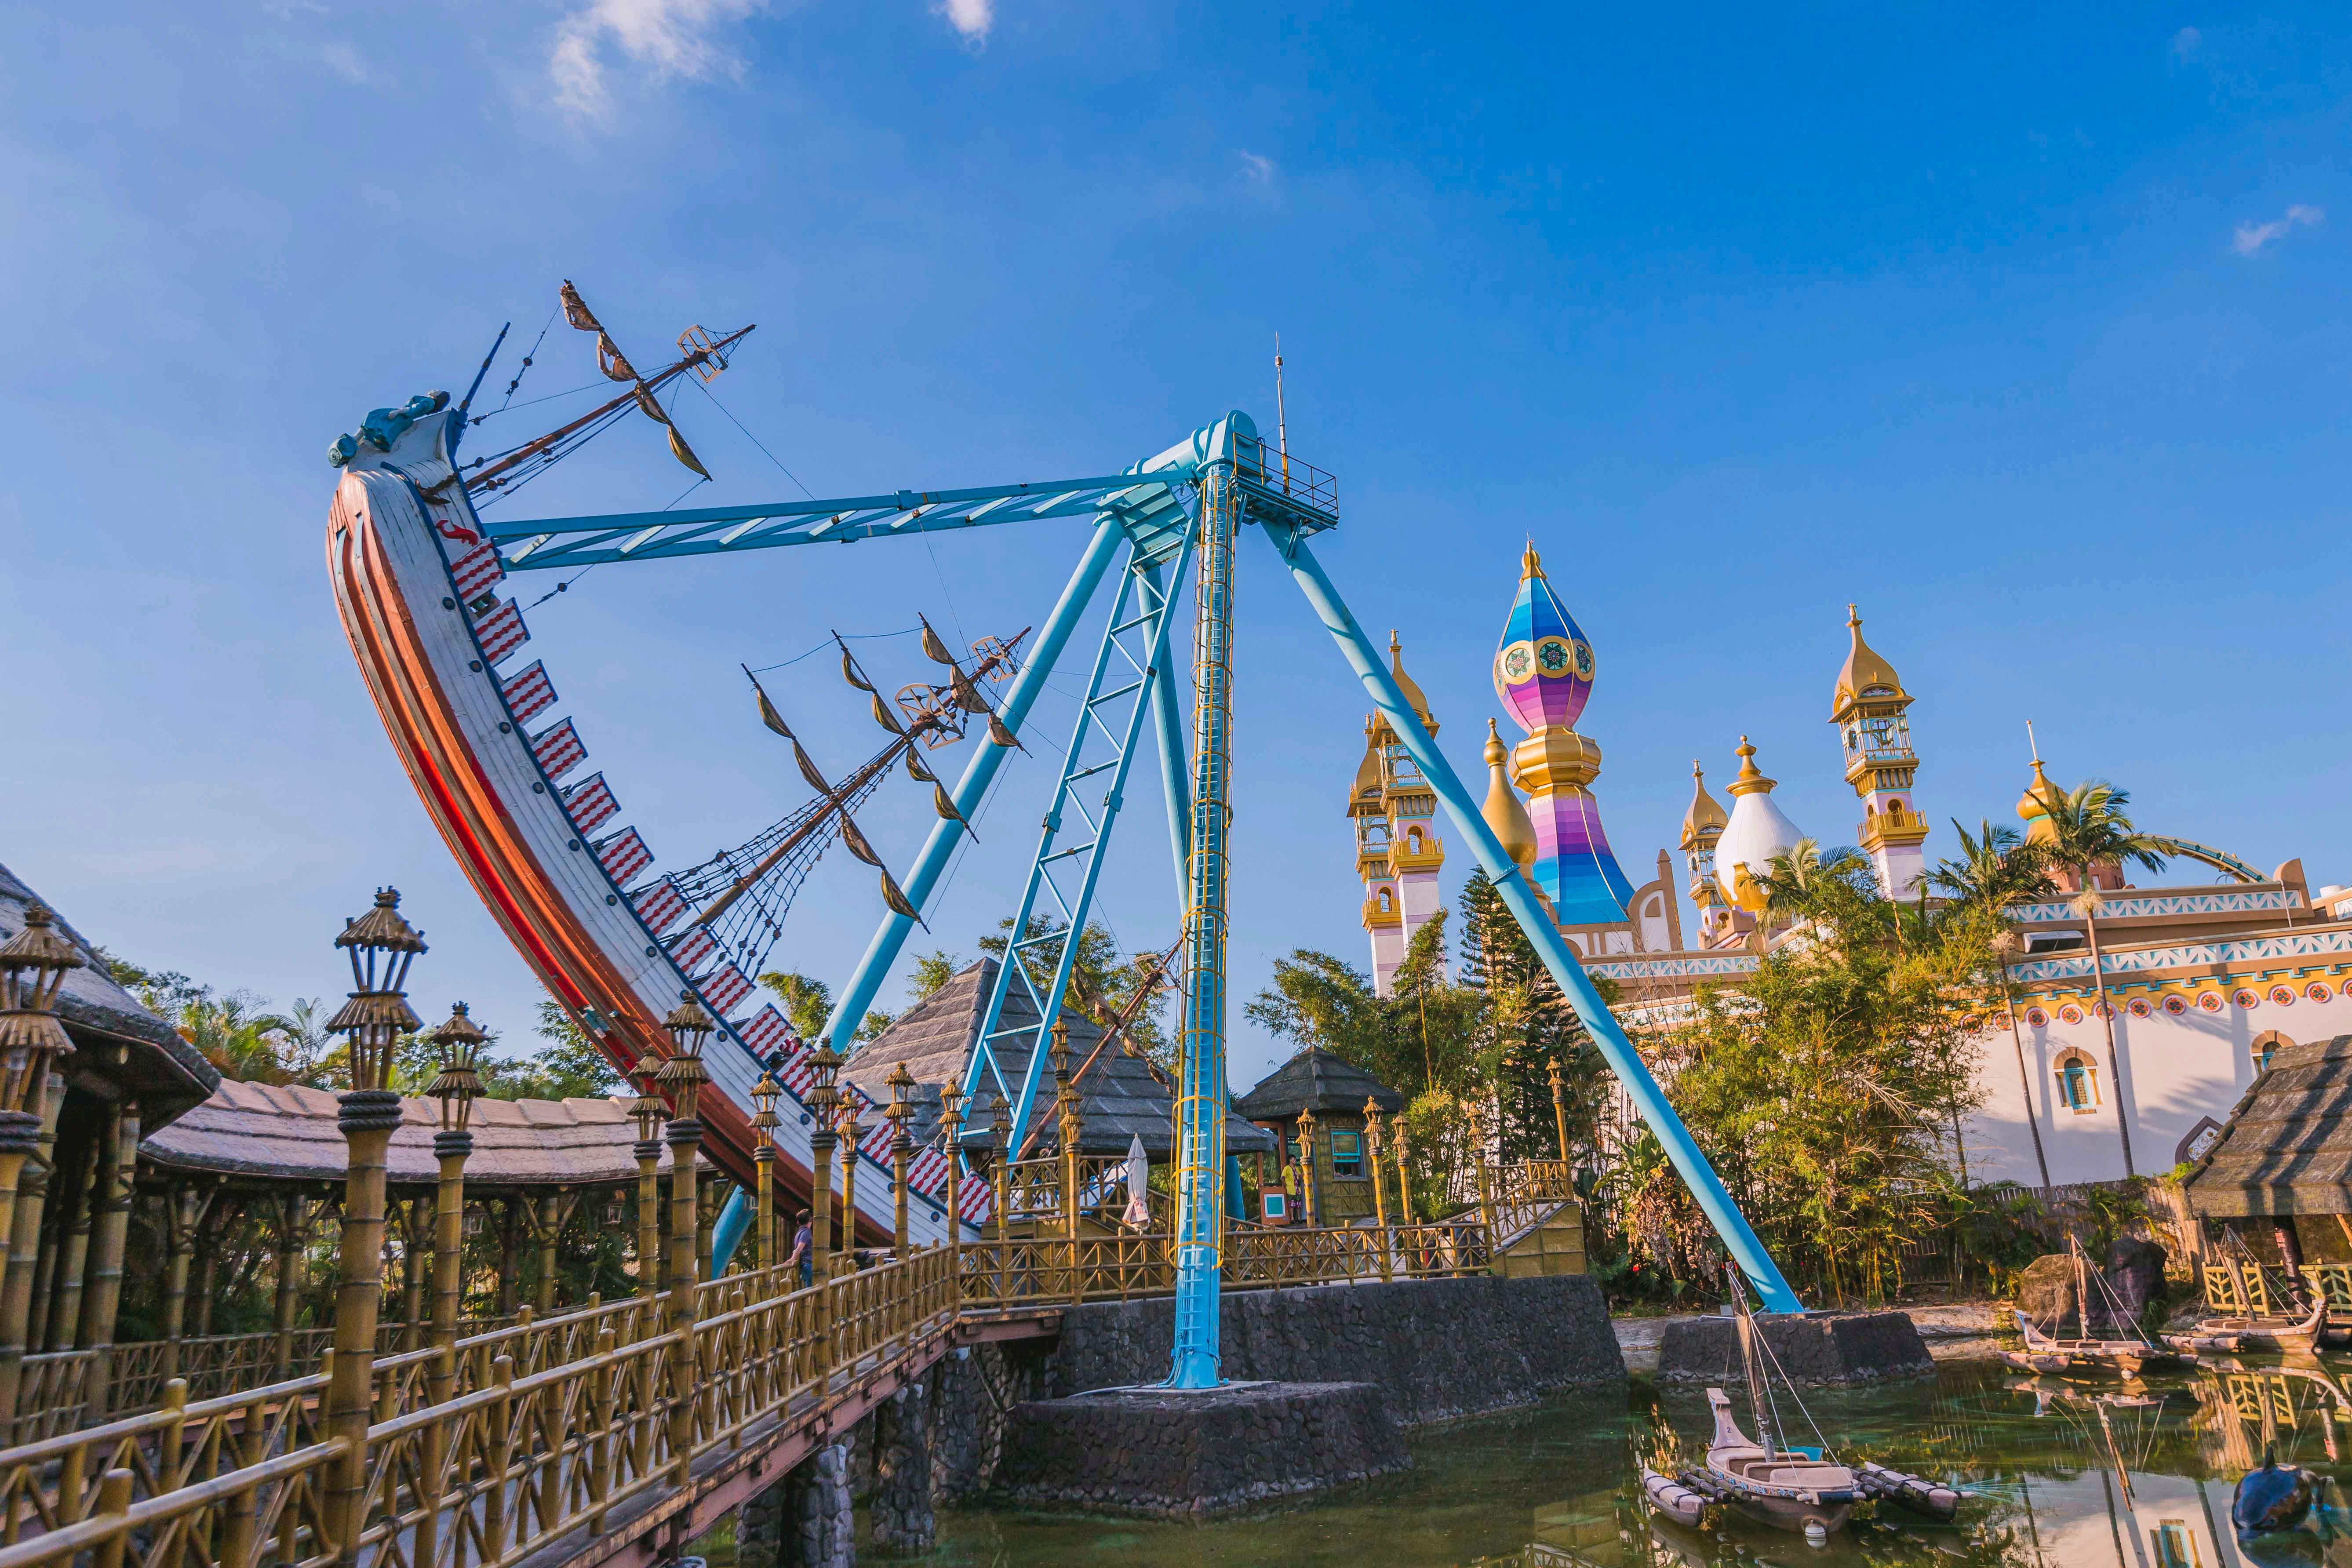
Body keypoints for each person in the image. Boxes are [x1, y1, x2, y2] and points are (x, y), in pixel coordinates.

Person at [786, 1208, 813, 1288]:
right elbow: (799, 1248)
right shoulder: (806, 1233)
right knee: (812, 1290)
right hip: (809, 1264)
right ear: (810, 1221)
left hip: (806, 1264)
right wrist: (793, 1258)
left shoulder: (799, 1233)